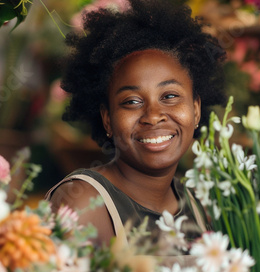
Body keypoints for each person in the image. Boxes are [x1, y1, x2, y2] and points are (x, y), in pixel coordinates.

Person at [45, 0, 226, 248]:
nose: (153, 115)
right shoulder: (83, 204)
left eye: (170, 96)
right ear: (107, 119)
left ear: (195, 110)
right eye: (131, 101)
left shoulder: (200, 206)